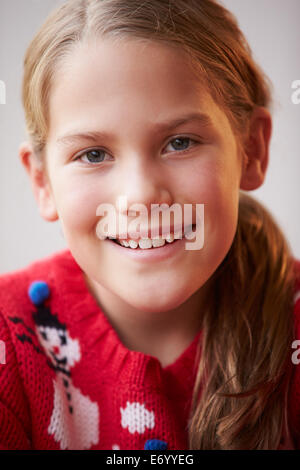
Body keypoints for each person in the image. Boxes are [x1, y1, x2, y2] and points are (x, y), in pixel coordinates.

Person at [0, 0, 299, 450]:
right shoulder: (10, 340)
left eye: (180, 143)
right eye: (93, 154)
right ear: (42, 181)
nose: (139, 195)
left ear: (251, 150)